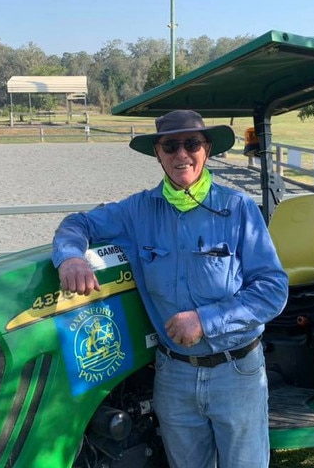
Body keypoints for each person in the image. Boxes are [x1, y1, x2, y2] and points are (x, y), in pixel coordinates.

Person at [52, 109, 288, 468]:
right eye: (170, 146)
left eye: (191, 143)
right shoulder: (138, 211)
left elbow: (272, 289)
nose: (182, 154)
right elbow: (78, 223)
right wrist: (71, 259)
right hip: (174, 374)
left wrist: (205, 320)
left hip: (236, 371)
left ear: (206, 148)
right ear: (158, 154)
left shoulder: (237, 208)